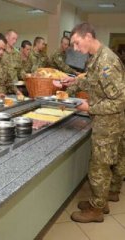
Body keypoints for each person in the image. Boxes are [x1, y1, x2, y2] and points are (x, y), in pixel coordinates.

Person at [53, 22, 125, 223]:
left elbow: (120, 101)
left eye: (76, 43)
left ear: (88, 37)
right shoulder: (97, 58)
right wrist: (72, 82)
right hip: (106, 122)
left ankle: (96, 210)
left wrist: (89, 107)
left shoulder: (106, 62)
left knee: (99, 167)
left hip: (109, 123)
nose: (75, 49)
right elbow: (92, 82)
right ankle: (100, 201)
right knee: (103, 164)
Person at [0, 30, 23, 97]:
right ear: (6, 37)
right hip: (1, 89)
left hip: (14, 88)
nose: (15, 41)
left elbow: (20, 70)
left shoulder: (17, 53)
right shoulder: (0, 51)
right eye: (13, 38)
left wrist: (27, 76)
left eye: (16, 39)